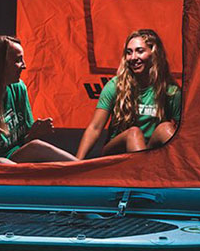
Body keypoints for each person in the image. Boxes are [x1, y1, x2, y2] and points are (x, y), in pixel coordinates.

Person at [0, 35, 76, 163]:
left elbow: (24, 141)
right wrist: (14, 172)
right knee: (2, 162)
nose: (24, 66)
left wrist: (34, 133)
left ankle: (85, 171)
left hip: (13, 158)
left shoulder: (18, 88)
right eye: (18, 60)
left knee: (37, 146)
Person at [75, 29, 181, 159]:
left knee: (166, 128)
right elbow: (95, 128)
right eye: (129, 53)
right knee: (134, 133)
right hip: (117, 152)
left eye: (140, 51)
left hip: (150, 151)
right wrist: (76, 163)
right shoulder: (116, 85)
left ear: (154, 54)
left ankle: (188, 176)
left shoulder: (170, 91)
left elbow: (183, 134)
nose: (133, 58)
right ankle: (142, 174)